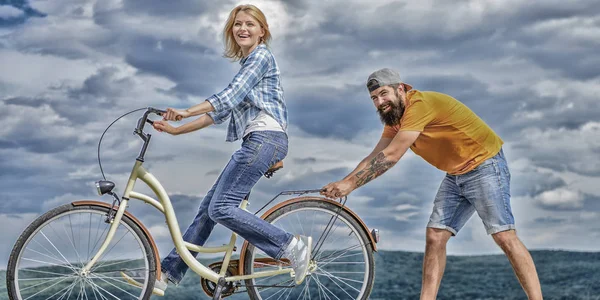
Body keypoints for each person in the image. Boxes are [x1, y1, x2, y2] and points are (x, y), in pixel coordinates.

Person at [125, 4, 311, 296]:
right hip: (258, 141)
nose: (243, 29)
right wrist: (175, 129)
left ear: (263, 31)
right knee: (207, 211)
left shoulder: (260, 57)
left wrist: (184, 111)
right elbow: (217, 114)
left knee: (221, 207)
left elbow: (229, 95)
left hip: (266, 138)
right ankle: (167, 272)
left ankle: (289, 245)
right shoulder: (249, 64)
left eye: (250, 24)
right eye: (238, 24)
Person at [321, 68, 543, 299]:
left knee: (504, 236)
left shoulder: (419, 105)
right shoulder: (395, 121)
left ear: (400, 89)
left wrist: (352, 185)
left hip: (484, 165)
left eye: (384, 94)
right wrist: (343, 182)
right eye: (374, 98)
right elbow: (375, 156)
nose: (379, 102)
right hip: (456, 174)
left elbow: (393, 155)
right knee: (435, 236)